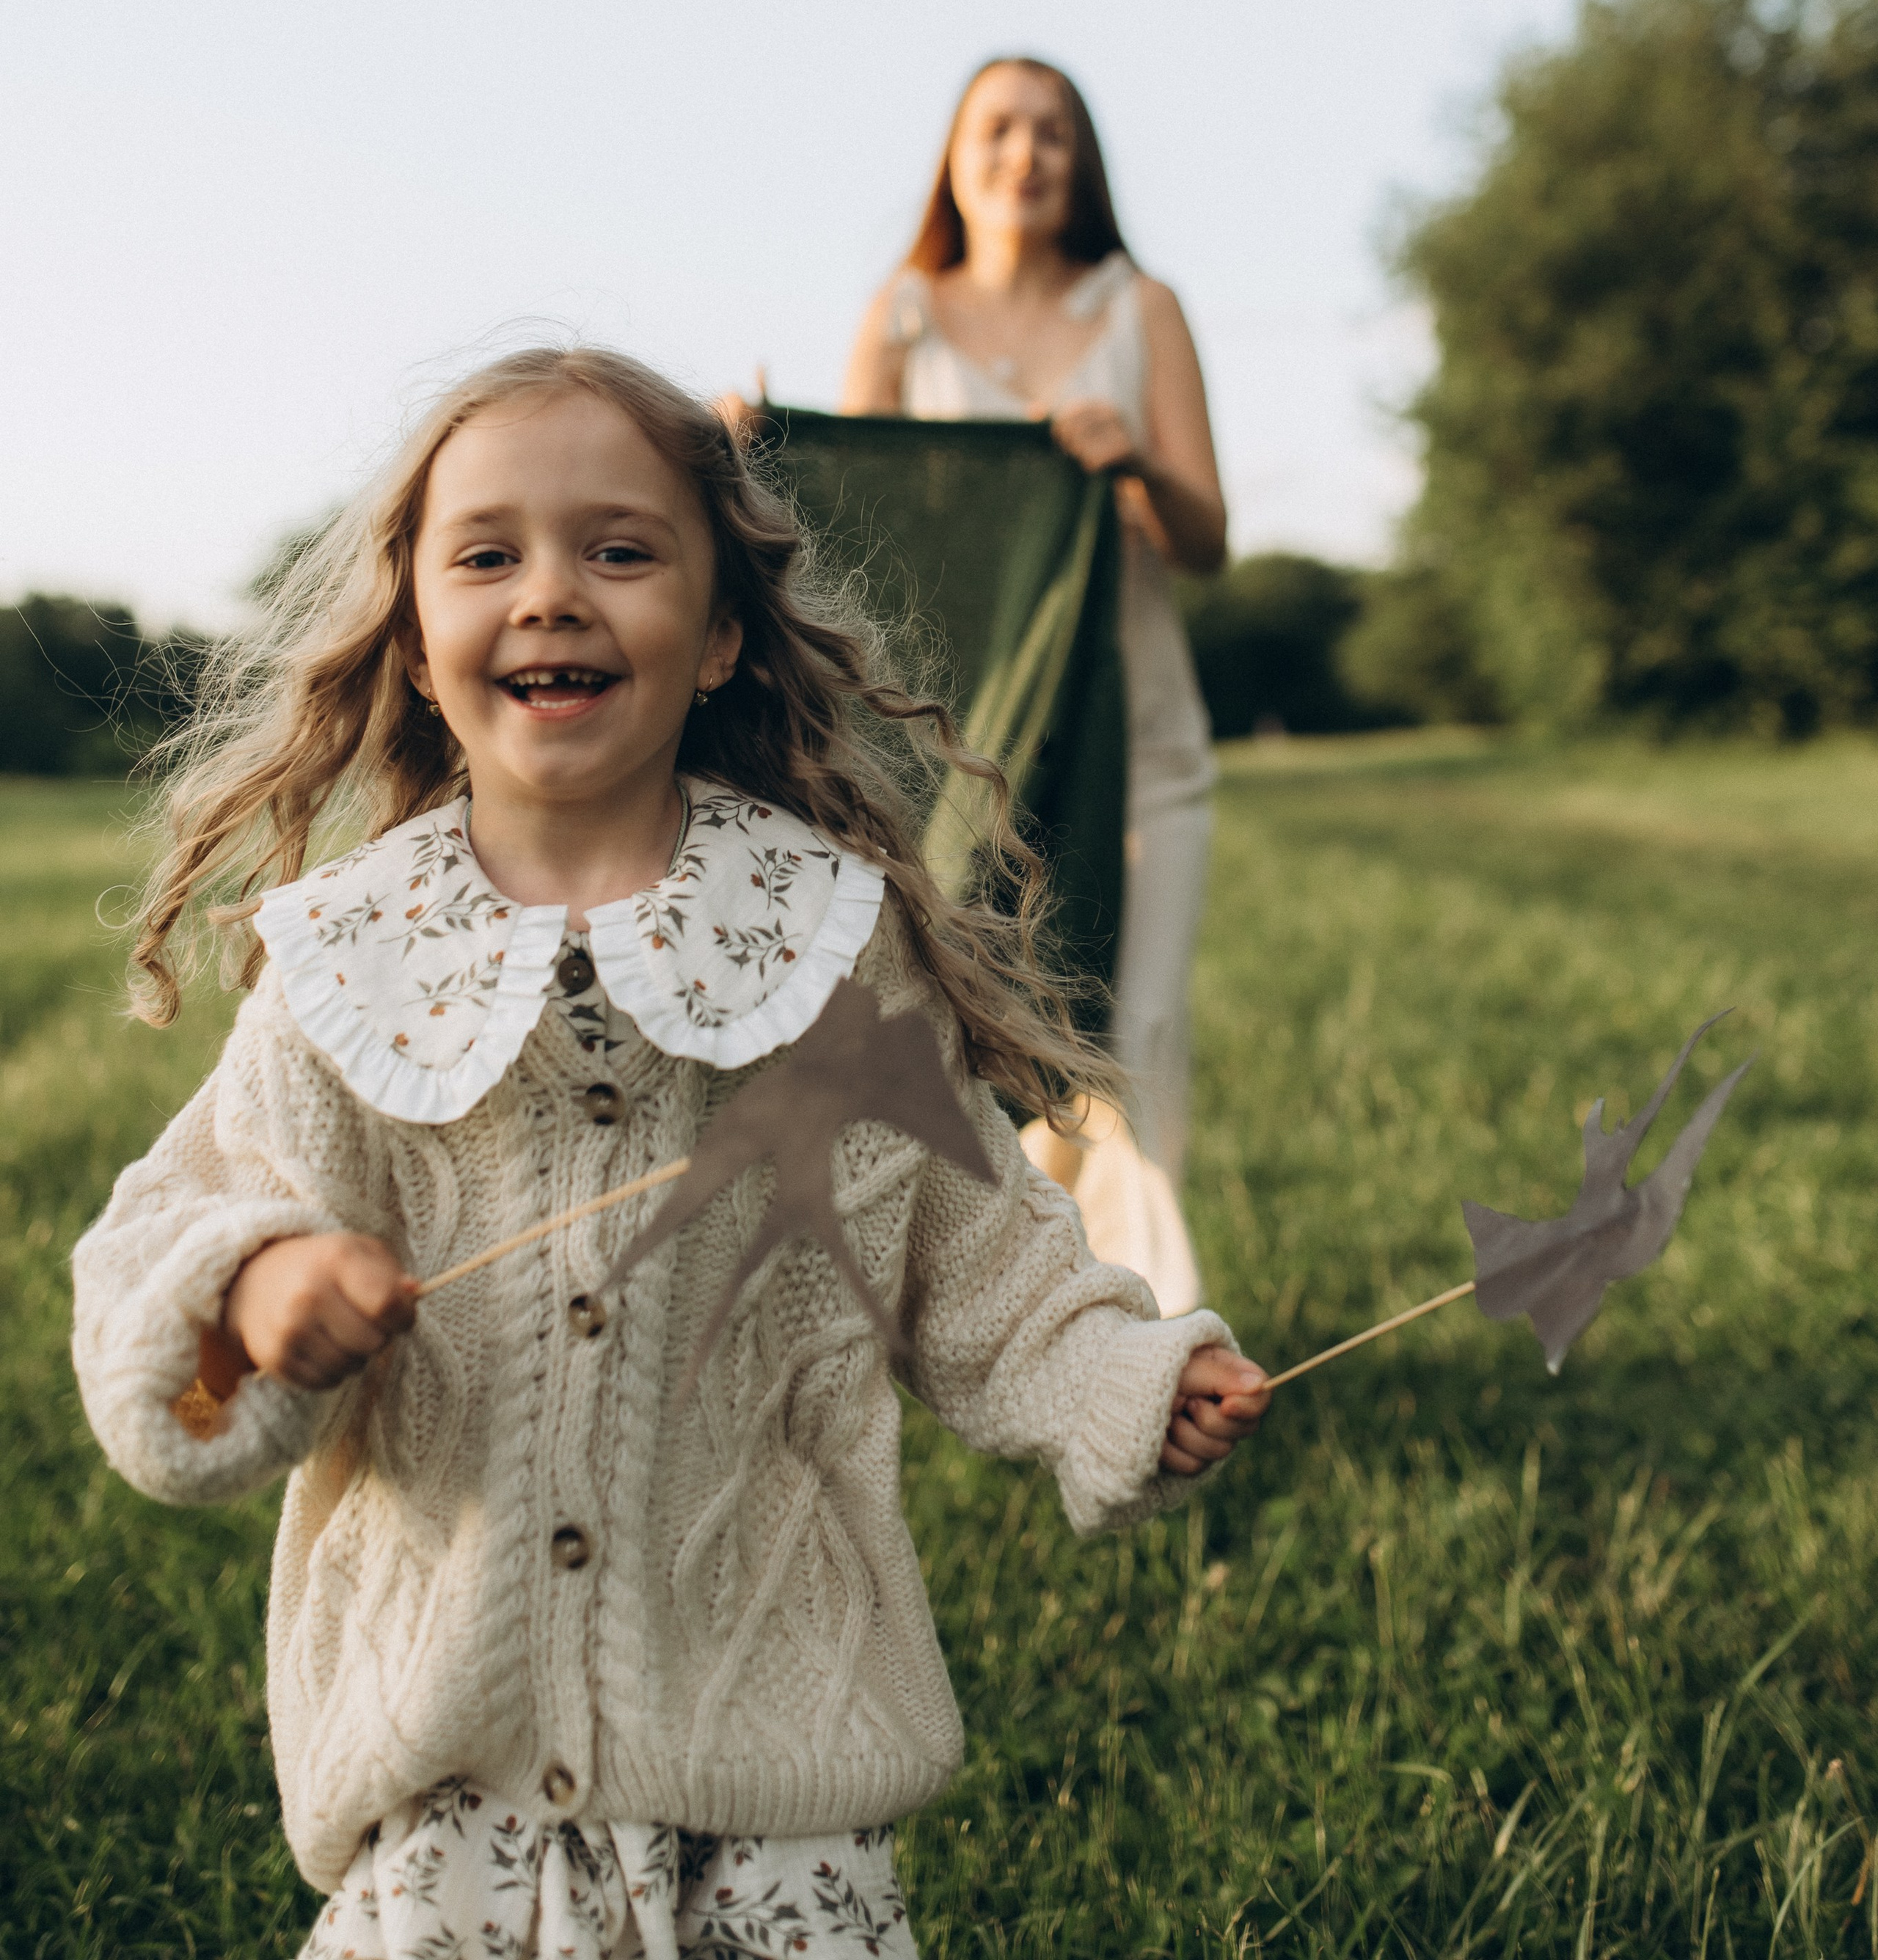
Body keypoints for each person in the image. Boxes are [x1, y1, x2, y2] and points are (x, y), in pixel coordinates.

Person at [70, 345, 1267, 1960]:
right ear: (419, 640)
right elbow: (165, 1239)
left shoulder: (826, 944)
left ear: (716, 637)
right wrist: (260, 1287)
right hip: (454, 1783)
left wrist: (1124, 1382)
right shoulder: (349, 956)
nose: (551, 593)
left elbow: (981, 1267)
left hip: (768, 1782)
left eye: (617, 550)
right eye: (487, 554)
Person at [844, 57, 1227, 1314]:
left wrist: (1136, 471)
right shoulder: (902, 313)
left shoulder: (1141, 309)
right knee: (1002, 1041)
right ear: (955, 155)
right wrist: (748, 450)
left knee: (1136, 1043)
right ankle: (1021, 1307)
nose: (1026, 153)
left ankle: (1153, 1340)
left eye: (1053, 132)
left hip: (1142, 737)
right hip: (980, 752)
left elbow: (1208, 539)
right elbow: (853, 528)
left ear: (1085, 162)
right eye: (999, 128)